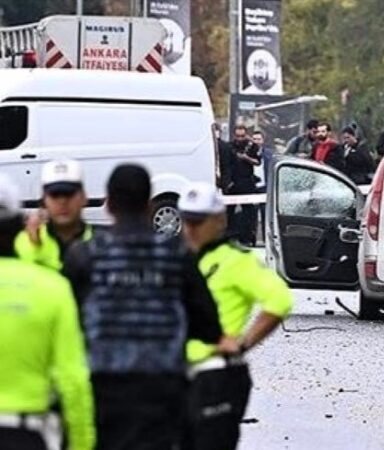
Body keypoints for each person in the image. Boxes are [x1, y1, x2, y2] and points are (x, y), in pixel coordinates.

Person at [62, 164, 235, 450]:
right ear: (148, 204)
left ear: (108, 204)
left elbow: (68, 320)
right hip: (162, 387)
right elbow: (207, 324)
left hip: (102, 386)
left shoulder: (85, 256)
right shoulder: (176, 255)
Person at [178, 182, 293, 450]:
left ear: (219, 220)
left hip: (216, 374)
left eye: (199, 221)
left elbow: (279, 300)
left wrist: (244, 343)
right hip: (173, 375)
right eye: (187, 220)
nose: (191, 229)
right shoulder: (176, 258)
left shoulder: (237, 261)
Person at [0, 174, 95, 450]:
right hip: (27, 433)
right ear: (19, 226)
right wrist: (82, 443)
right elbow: (72, 379)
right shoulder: (52, 288)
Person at [15, 160, 94, 271]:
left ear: (84, 198)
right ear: (43, 201)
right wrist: (35, 248)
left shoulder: (102, 242)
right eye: (55, 195)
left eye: (69, 194)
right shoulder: (22, 242)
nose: (62, 202)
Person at [228, 125, 260, 247]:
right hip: (233, 181)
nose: (240, 139)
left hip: (246, 181)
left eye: (242, 136)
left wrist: (247, 158)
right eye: (238, 136)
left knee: (248, 211)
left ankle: (246, 237)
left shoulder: (252, 146)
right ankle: (230, 237)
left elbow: (257, 162)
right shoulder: (230, 146)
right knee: (229, 211)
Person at [251, 130, 274, 243]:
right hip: (251, 188)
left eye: (258, 139)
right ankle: (252, 240)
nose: (256, 141)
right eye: (254, 139)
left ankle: (266, 241)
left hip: (265, 188)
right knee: (251, 216)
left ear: (263, 140)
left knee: (266, 214)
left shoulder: (269, 154)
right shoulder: (248, 154)